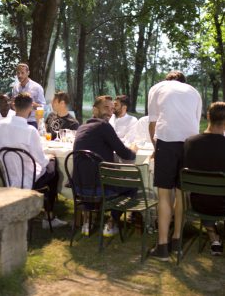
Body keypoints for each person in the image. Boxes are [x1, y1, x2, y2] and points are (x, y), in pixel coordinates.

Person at [148, 71, 202, 260]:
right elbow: (196, 122)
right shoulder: (194, 91)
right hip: (190, 143)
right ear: (183, 82)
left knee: (164, 194)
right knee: (180, 192)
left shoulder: (157, 88)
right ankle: (177, 241)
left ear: (167, 81)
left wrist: (156, 148)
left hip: (167, 141)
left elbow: (152, 124)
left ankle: (162, 246)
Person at [0, 92, 67, 228]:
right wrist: (50, 158)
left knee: (48, 164)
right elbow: (41, 161)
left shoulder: (1, 125)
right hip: (27, 178)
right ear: (30, 109)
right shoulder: (29, 130)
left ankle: (39, 209)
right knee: (53, 167)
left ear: (14, 107)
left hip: (9, 177)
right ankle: (49, 217)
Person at [73, 95, 137, 236]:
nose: (110, 112)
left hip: (79, 188)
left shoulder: (82, 127)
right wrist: (134, 150)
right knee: (133, 184)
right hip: (99, 188)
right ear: (95, 109)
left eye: (112, 108)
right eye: (106, 108)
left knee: (93, 175)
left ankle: (87, 221)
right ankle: (112, 222)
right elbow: (125, 153)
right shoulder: (104, 126)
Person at [183, 102, 225, 256]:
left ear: (208, 117)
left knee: (206, 196)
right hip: (222, 205)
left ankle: (214, 238)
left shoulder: (190, 142)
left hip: (198, 204)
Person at [12, 63, 46, 128]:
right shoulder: (15, 88)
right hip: (18, 121)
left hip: (32, 122)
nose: (20, 75)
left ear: (28, 73)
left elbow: (43, 107)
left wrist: (29, 103)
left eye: (22, 73)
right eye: (18, 73)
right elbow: (13, 105)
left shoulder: (37, 87)